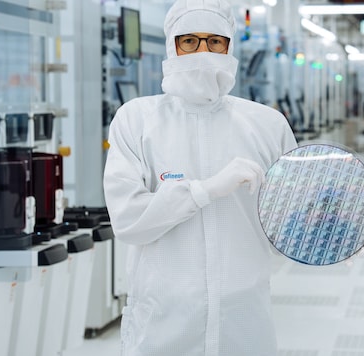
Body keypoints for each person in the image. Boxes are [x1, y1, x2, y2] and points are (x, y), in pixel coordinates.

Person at [102, 0, 298, 355]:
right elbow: (129, 221)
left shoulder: (267, 125)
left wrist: (337, 234)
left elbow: (289, 224)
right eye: (189, 41)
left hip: (244, 321)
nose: (203, 53)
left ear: (229, 45)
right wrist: (203, 191)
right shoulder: (137, 121)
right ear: (171, 46)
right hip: (164, 323)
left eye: (215, 42)